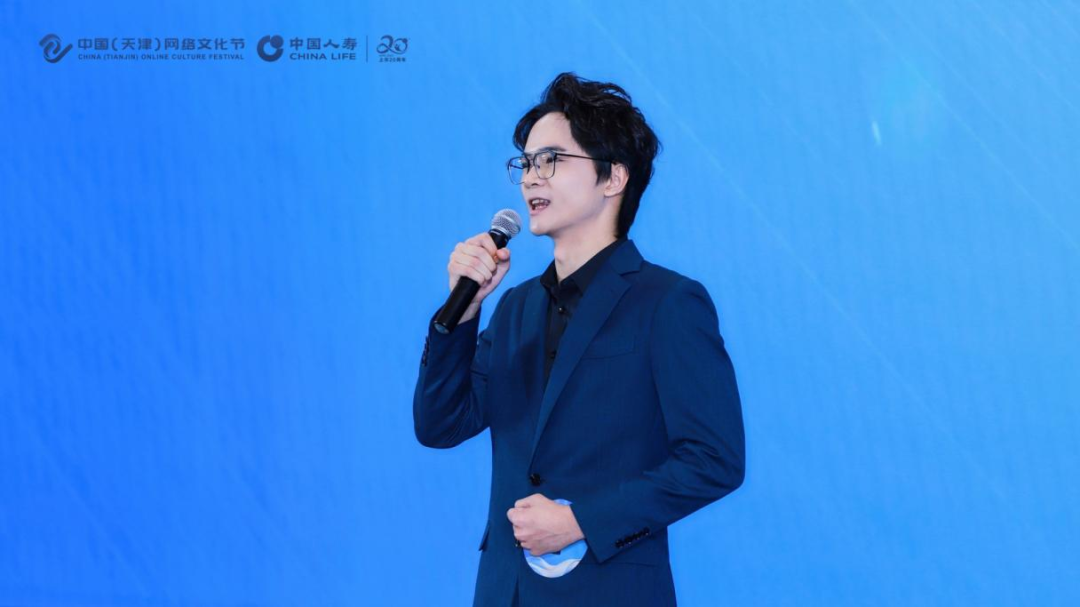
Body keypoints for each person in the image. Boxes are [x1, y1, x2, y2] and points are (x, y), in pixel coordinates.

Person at [413, 72, 745, 607]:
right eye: (525, 163)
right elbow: (441, 425)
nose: (530, 179)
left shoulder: (668, 302)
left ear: (613, 177)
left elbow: (714, 460)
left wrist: (580, 521)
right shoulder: (515, 307)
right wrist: (464, 313)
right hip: (505, 592)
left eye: (550, 160)